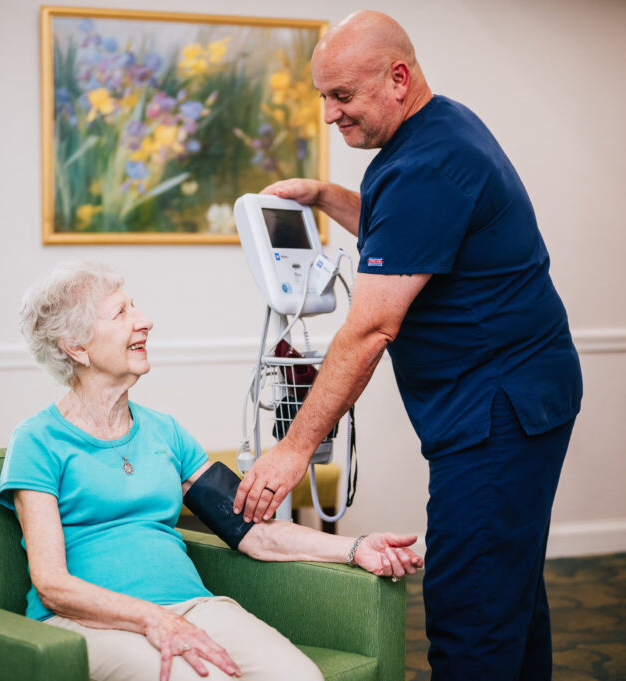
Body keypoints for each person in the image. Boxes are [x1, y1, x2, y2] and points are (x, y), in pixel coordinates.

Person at [232, 10, 582, 681]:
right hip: (524, 392)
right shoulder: (441, 128)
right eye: (323, 98)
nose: (331, 115)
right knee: (507, 593)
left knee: (470, 608)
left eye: (343, 96)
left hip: (499, 411)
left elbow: (369, 328)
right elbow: (418, 238)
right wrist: (326, 195)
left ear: (397, 79)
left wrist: (293, 448)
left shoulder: (424, 164)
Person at [0, 260, 423, 681]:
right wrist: (151, 618)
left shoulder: (165, 432)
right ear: (76, 346)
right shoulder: (37, 440)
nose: (145, 321)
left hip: (193, 606)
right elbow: (51, 583)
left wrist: (356, 547)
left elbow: (254, 531)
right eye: (121, 313)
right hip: (88, 623)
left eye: (135, 307)